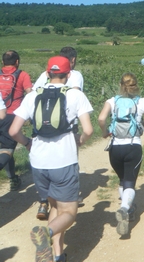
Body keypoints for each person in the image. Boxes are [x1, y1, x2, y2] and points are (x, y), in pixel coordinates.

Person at [9, 56, 93, 262]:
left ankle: (56, 256)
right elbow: (89, 130)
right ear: (68, 74)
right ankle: (45, 233)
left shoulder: (33, 96)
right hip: (63, 161)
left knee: (55, 206)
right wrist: (79, 141)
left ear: (47, 74)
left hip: (38, 162)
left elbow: (13, 131)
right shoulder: (75, 95)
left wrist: (28, 143)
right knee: (69, 212)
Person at [97, 72, 144, 236]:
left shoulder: (112, 100)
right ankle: (125, 209)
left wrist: (105, 132)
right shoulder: (142, 102)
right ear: (135, 85)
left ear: (120, 85)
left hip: (115, 147)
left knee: (122, 179)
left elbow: (101, 118)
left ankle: (127, 209)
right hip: (133, 146)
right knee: (130, 180)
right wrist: (143, 124)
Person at [33, 47, 84, 221]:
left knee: (45, 164)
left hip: (40, 131)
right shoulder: (75, 75)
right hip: (66, 127)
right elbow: (76, 94)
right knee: (69, 161)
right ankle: (71, 196)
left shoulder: (44, 75)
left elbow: (33, 94)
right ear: (73, 59)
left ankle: (43, 202)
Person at [0, 50, 32, 192]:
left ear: (2, 62)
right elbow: (30, 93)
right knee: (7, 150)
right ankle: (12, 180)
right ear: (17, 62)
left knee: (4, 150)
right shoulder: (22, 75)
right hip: (13, 116)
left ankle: (13, 178)